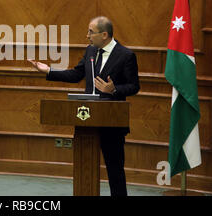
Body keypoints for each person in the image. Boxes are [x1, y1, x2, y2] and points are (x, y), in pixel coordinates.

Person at [29, 16, 140, 196]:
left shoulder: (126, 55)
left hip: (112, 121)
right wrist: (49, 71)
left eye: (91, 32)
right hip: (87, 117)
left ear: (104, 34)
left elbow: (134, 86)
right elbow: (76, 74)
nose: (87, 35)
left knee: (115, 169)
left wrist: (114, 90)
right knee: (84, 164)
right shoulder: (90, 51)